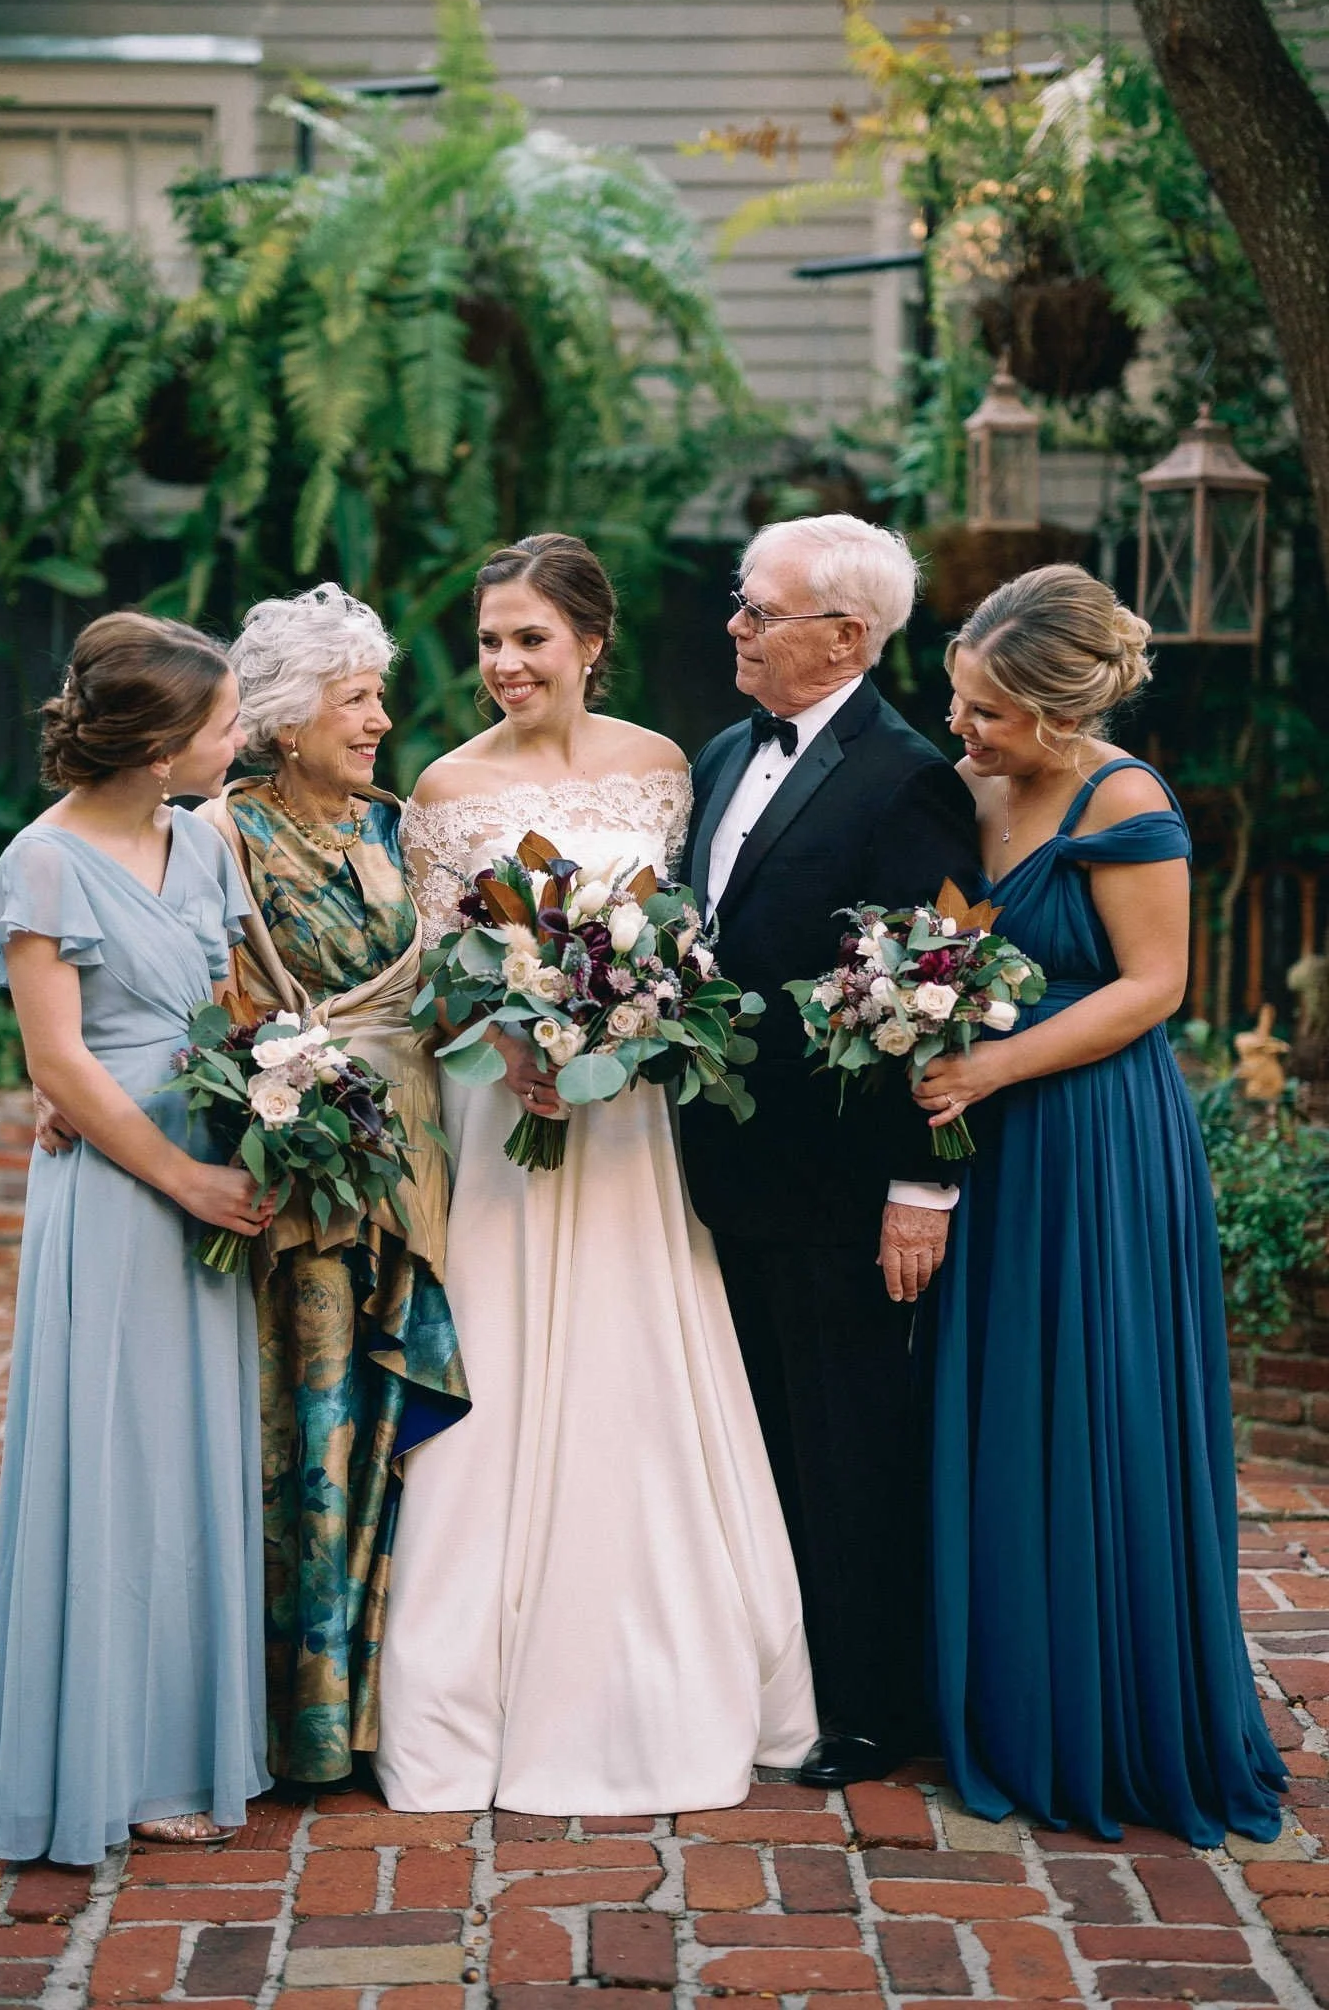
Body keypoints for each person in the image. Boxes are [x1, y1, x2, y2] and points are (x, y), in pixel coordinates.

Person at [374, 532, 817, 1815]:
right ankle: (472, 1686)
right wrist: (499, 1037)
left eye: (532, 637)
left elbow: (676, 945)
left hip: (629, 1126)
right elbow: (433, 980)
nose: (506, 662)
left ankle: (666, 1662)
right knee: (504, 1371)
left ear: (590, 642)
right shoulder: (444, 789)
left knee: (640, 1366)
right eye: (491, 639)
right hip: (500, 1120)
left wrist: (627, 1023)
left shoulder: (663, 771)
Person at [915, 562, 1285, 1846]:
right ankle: (1011, 1690)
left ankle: (1116, 1712)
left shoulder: (1126, 798)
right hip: (996, 1145)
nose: (961, 729)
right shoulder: (972, 788)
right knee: (1008, 1400)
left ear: (1062, 717)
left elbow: (1155, 985)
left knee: (1099, 1398)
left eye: (987, 715)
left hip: (1094, 1137)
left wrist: (996, 1064)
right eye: (957, 700)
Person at [0, 613, 275, 1863]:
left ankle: (182, 1732)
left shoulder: (201, 841)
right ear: (156, 747)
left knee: (193, 1449)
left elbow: (239, 1001)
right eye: (226, 724)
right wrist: (187, 1182)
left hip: (208, 1146)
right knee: (118, 1456)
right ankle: (114, 1755)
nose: (239, 739)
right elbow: (59, 1060)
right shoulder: (42, 863)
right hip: (123, 1184)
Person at [679, 514, 983, 1790]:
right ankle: (776, 1679)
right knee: (754, 1439)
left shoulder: (908, 777)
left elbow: (943, 990)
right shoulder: (718, 752)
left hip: (845, 1182)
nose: (734, 627)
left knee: (848, 1440)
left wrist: (925, 1184)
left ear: (847, 635)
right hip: (715, 1171)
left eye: (759, 610)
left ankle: (867, 1705)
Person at [198, 584, 469, 1784]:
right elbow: (198, 1003)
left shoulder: (397, 827)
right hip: (305, 1171)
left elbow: (449, 987)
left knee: (398, 1433)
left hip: (419, 1157)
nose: (378, 719)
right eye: (355, 698)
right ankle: (300, 1717)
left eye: (376, 694)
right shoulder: (223, 836)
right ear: (286, 716)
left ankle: (385, 1698)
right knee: (311, 1424)